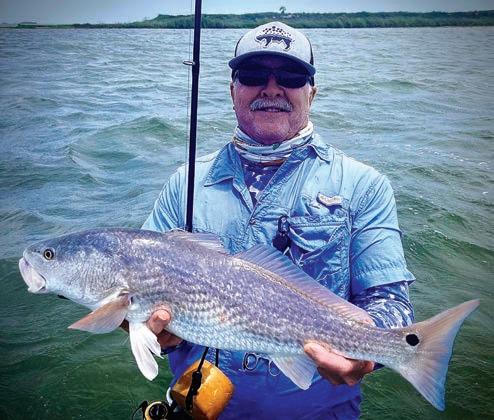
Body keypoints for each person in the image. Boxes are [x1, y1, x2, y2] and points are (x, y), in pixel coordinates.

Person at [142, 22, 415, 419]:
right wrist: (149, 329)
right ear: (232, 90)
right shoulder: (184, 183)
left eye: (290, 76)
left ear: (312, 92)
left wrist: (367, 352)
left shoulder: (365, 186)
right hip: (200, 407)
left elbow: (391, 303)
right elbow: (138, 286)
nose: (271, 88)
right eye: (253, 75)